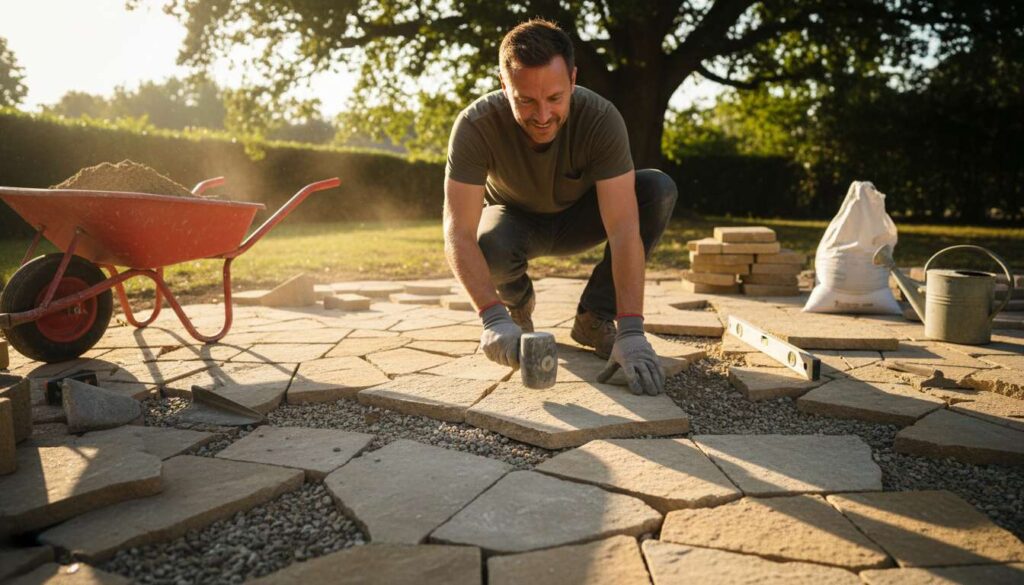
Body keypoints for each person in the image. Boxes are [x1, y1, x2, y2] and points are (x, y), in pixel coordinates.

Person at [443, 18, 677, 396]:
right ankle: (516, 307)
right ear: (504, 86)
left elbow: (622, 229)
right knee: (489, 241)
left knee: (657, 189)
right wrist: (491, 316)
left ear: (572, 79)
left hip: (580, 217)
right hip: (513, 224)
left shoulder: (601, 119)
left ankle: (594, 317)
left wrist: (631, 328)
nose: (542, 115)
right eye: (525, 100)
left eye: (554, 98)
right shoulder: (475, 125)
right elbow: (458, 233)